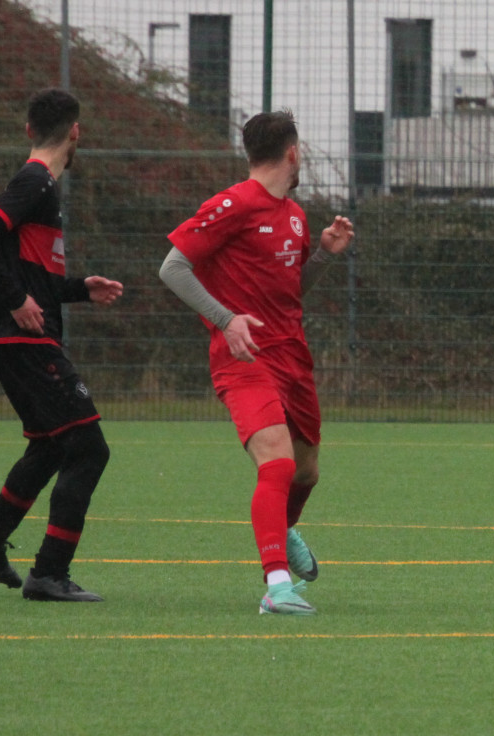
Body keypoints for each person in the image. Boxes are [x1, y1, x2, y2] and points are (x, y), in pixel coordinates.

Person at [159, 110, 353, 616]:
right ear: (292, 152)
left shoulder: (294, 214)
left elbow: (291, 291)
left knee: (306, 473)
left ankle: (283, 529)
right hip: (243, 357)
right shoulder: (234, 203)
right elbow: (172, 267)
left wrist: (326, 256)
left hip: (293, 355)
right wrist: (226, 320)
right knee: (277, 461)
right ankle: (278, 587)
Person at [0, 87, 123, 602]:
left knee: (53, 446)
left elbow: (27, 270)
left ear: (29, 129)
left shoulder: (43, 186)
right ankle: (49, 573)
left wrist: (77, 289)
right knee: (89, 449)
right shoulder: (35, 181)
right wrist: (14, 298)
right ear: (75, 132)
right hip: (24, 339)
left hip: (17, 337)